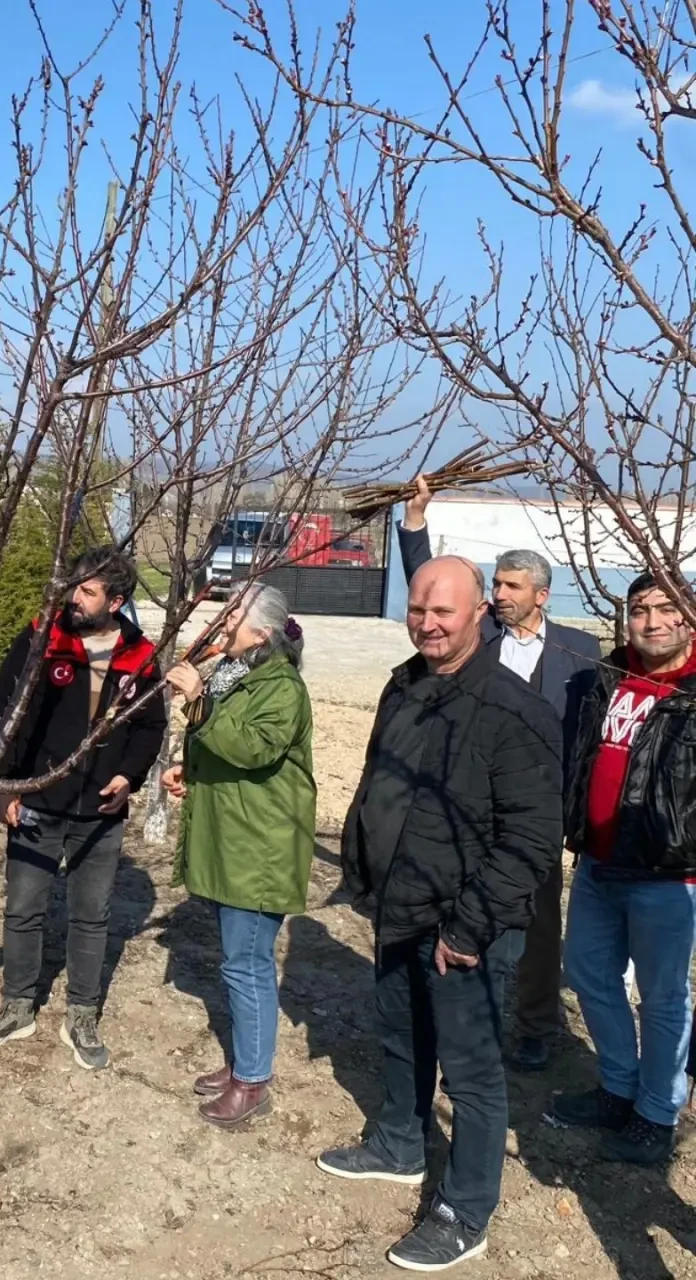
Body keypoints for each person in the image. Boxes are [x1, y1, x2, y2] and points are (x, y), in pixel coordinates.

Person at [318, 555, 562, 1273]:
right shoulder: (406, 685)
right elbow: (379, 788)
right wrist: (367, 875)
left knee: (473, 1072)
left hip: (467, 927)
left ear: (479, 612)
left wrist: (469, 927)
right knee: (400, 1034)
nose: (427, 623)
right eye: (418, 609)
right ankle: (399, 1140)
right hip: (400, 906)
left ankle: (466, 1208)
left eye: (443, 612)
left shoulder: (514, 712)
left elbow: (530, 840)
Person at [400, 477, 600, 1071]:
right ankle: (462, 1017)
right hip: (467, 808)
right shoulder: (480, 636)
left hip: (535, 813)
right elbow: (433, 582)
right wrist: (416, 521)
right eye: (498, 585)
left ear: (542, 594)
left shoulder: (579, 650)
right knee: (465, 915)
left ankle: (536, 1024)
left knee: (538, 925)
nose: (502, 594)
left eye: (513, 586)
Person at [0, 546, 166, 1070]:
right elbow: (2, 711)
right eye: (73, 586)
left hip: (101, 810)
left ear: (116, 601)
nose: (74, 598)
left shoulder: (140, 655)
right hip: (36, 798)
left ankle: (81, 1012)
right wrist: (5, 784)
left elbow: (150, 726)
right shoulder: (42, 640)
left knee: (91, 915)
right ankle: (17, 1004)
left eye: (87, 590)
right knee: (23, 908)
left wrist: (130, 776)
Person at [552, 572, 696, 1165]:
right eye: (641, 609)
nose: (654, 621)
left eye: (669, 609)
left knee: (662, 999)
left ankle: (657, 1112)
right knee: (588, 973)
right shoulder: (611, 678)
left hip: (668, 873)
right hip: (597, 863)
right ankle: (617, 1084)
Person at [161, 584, 315, 1127]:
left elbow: (254, 748)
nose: (223, 626)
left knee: (246, 965)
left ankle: (253, 1082)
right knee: (238, 962)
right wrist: (192, 771)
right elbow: (229, 745)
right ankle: (244, 1064)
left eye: (233, 619)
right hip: (238, 838)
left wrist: (199, 702)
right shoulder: (240, 675)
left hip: (261, 848)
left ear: (262, 633)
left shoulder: (282, 687)